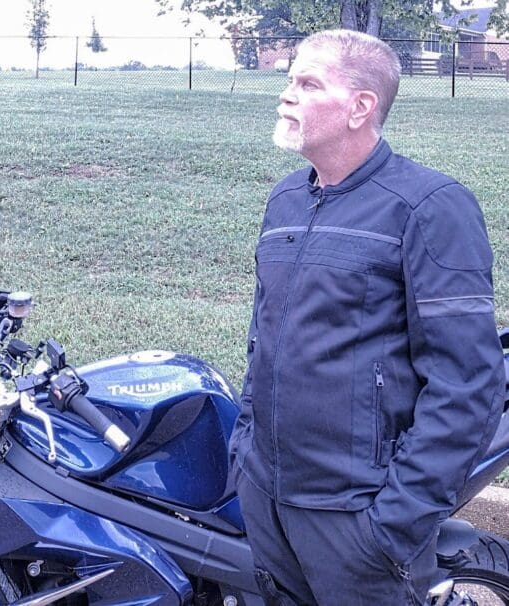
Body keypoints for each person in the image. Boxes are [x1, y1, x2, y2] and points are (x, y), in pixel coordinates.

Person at [229, 29, 505, 606]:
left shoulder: (430, 206)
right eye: (289, 81)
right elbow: (264, 342)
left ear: (360, 107)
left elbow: (468, 384)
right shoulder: (286, 200)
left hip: (357, 518)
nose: (286, 95)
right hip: (271, 505)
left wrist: (393, 523)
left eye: (308, 83)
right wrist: (245, 465)